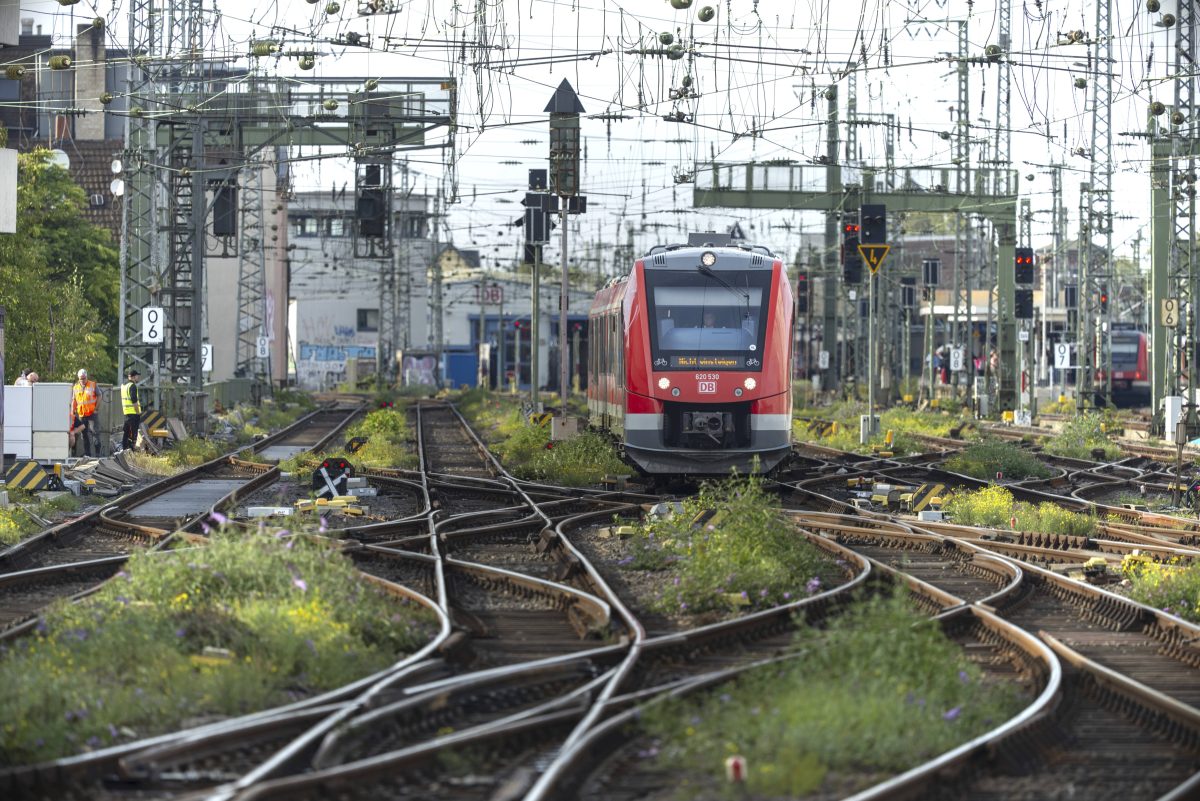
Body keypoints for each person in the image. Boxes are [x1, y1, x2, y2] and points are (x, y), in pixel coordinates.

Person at [71, 368, 100, 457]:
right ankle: (88, 454)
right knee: (84, 435)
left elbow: (99, 396)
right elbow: (74, 400)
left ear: (86, 377)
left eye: (84, 378)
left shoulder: (93, 385)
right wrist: (73, 412)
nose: (82, 380)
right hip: (82, 415)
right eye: (81, 378)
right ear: (78, 378)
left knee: (95, 433)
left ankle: (98, 454)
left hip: (92, 414)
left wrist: (96, 409)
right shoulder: (75, 387)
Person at [120, 367, 142, 452]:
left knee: (126, 432)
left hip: (126, 412)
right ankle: (132, 449)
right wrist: (138, 412)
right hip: (133, 413)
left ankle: (124, 449)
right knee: (133, 433)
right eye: (137, 376)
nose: (138, 378)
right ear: (133, 377)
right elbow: (134, 400)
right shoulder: (132, 386)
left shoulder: (123, 386)